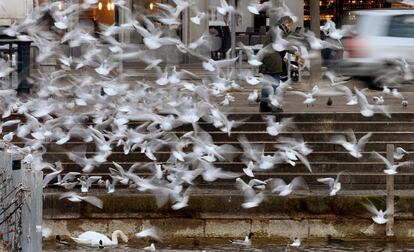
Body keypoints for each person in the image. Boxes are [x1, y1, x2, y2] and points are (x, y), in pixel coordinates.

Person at [258, 16, 301, 112]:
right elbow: (281, 44)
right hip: (272, 60)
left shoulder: (279, 31)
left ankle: (264, 105)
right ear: (285, 23)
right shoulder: (277, 31)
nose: (290, 28)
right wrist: (294, 51)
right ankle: (271, 105)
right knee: (275, 85)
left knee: (268, 84)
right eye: (289, 25)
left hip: (270, 59)